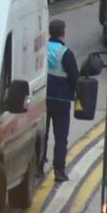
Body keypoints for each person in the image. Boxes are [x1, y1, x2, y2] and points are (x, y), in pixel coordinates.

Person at [40, 19, 80, 182]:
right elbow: (74, 77)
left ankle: (38, 166)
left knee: (43, 134)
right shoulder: (65, 53)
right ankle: (59, 171)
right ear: (63, 33)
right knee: (61, 137)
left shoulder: (42, 48)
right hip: (61, 100)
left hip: (42, 98)